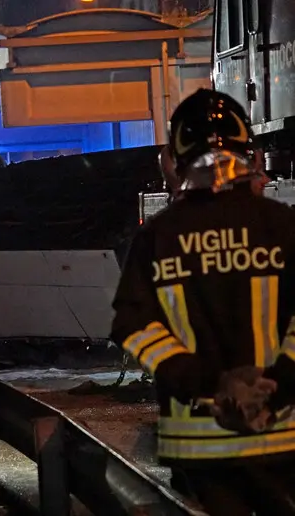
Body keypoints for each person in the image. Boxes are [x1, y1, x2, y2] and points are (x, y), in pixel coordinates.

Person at [110, 88, 295, 515]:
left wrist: (209, 384)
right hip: (282, 436)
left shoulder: (158, 236)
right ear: (252, 154)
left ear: (173, 162)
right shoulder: (282, 227)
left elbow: (133, 326)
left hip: (199, 449)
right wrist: (277, 386)